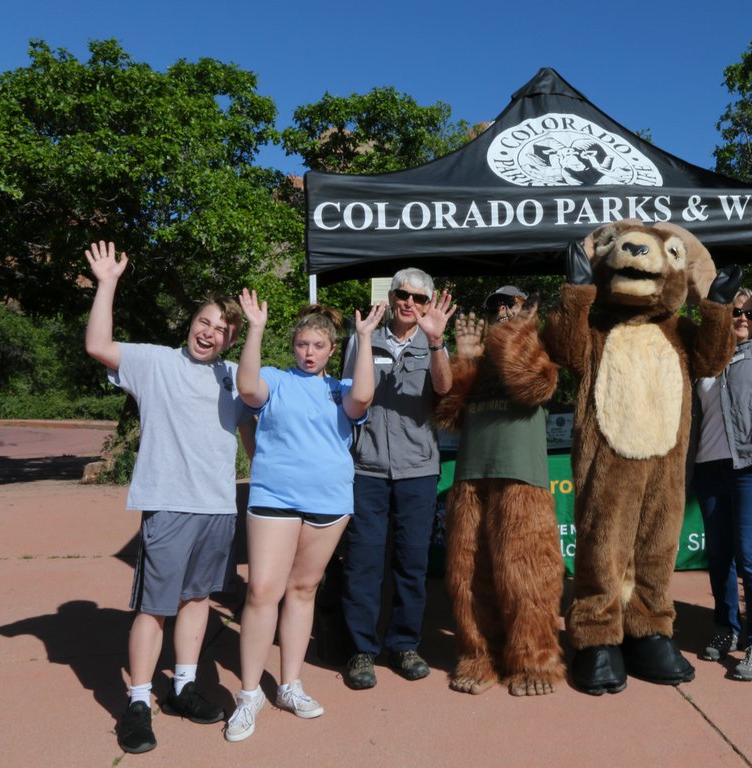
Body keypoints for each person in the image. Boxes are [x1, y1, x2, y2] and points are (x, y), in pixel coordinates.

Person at [83, 241, 254, 755]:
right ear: (191, 323)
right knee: (154, 607)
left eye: (222, 329)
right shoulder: (154, 362)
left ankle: (182, 688)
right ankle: (137, 702)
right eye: (205, 321)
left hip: (219, 507)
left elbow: (250, 437)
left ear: (230, 340)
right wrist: (107, 283)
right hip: (171, 504)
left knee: (198, 600)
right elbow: (98, 345)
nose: (210, 332)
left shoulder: (232, 378)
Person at [225, 292, 385, 742]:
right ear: (293, 347)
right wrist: (255, 328)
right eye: (302, 345)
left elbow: (364, 396)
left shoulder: (340, 390)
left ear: (332, 350)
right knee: (262, 591)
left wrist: (365, 338)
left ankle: (290, 685)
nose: (309, 353)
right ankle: (250, 693)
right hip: (274, 496)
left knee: (302, 589)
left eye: (318, 346)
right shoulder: (275, 381)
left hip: (330, 502)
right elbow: (247, 386)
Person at [436, 287, 566, 696]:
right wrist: (465, 362)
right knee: (470, 575)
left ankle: (535, 660)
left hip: (521, 478)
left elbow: (534, 386)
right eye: (495, 306)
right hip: (472, 477)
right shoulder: (482, 361)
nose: (502, 311)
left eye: (512, 304)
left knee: (526, 575)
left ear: (529, 309)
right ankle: (480, 656)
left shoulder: (540, 351)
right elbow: (448, 416)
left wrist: (519, 329)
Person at [339, 270, 456, 690]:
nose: (409, 302)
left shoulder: (434, 340)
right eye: (402, 295)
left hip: (418, 471)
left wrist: (437, 341)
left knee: (412, 563)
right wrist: (366, 341)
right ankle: (360, 650)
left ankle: (405, 644)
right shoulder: (364, 336)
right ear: (390, 297)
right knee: (363, 563)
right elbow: (349, 393)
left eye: (418, 298)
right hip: (366, 468)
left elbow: (445, 389)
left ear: (427, 304)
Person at [692, 194, 752, 681]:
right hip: (711, 468)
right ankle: (725, 628)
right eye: (735, 312)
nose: (743, 319)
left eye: (749, 314)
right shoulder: (704, 361)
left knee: (751, 554)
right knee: (719, 556)